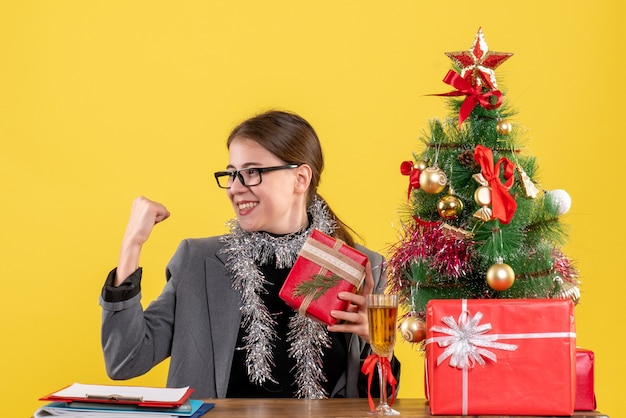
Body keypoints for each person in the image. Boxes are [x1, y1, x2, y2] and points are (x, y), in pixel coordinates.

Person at [100, 110, 400, 399]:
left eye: (252, 172)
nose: (234, 188)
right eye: (231, 174)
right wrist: (131, 246)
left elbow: (376, 399)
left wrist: (378, 346)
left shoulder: (357, 266)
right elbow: (126, 360)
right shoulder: (198, 261)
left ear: (300, 178)